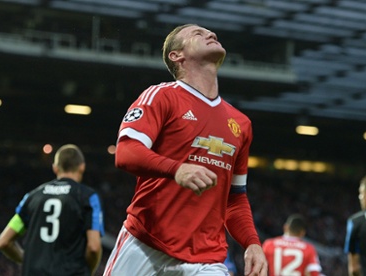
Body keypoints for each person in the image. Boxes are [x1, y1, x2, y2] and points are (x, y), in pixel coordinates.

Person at [103, 23, 267, 275]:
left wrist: (252, 243)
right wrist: (176, 169)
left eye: (211, 32)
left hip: (206, 260)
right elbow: (126, 152)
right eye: (198, 34)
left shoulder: (241, 124)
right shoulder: (161, 96)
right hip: (145, 244)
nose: (211, 33)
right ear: (176, 55)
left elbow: (235, 198)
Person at [0, 144, 105, 276]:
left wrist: (28, 261)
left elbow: (4, 242)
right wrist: (88, 271)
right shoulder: (88, 197)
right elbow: (94, 247)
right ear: (82, 167)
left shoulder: (32, 196)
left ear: (55, 168)